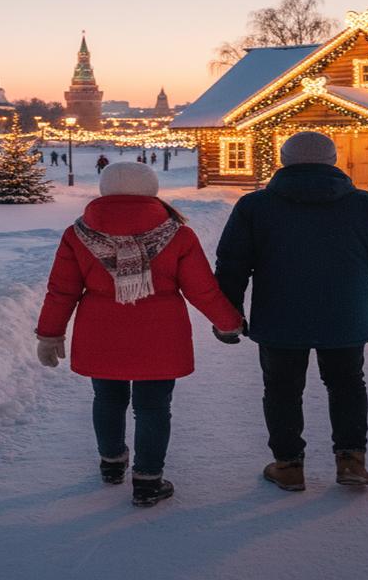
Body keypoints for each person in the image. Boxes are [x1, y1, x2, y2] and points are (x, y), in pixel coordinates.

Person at [36, 163, 245, 507]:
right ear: (151, 190)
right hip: (160, 334)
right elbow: (202, 290)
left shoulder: (79, 234)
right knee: (153, 407)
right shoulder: (176, 234)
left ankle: (112, 464)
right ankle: (148, 481)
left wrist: (49, 334)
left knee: (107, 399)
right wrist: (227, 322)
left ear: (105, 189)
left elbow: (61, 291)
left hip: (100, 332)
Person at [215, 131, 368, 491]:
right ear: (332, 161)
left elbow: (233, 264)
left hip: (279, 316)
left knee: (282, 389)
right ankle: (351, 461)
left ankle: (288, 465)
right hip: (346, 314)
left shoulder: (255, 207)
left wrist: (228, 314)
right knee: (347, 384)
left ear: (284, 160)